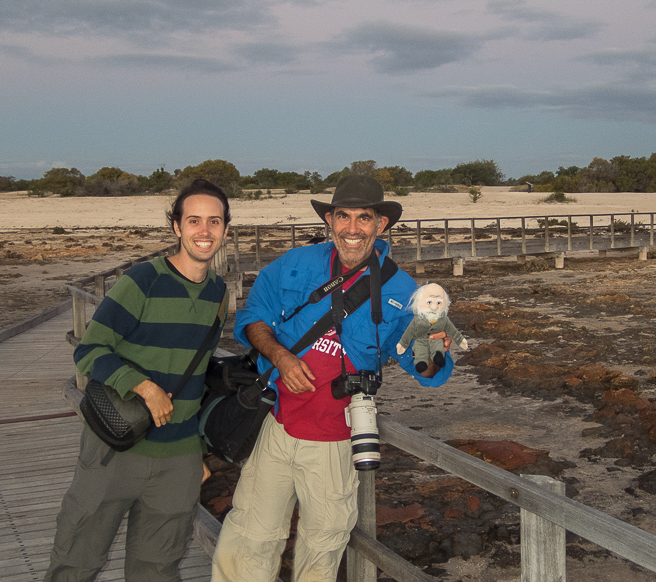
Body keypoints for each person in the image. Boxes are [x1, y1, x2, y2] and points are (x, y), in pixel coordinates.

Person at [212, 175, 454, 582]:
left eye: (364, 218)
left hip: (337, 439)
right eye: (343, 216)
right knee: (249, 537)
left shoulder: (402, 290)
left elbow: (423, 368)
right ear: (330, 220)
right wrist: (281, 356)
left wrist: (433, 351)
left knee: (322, 551)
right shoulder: (294, 264)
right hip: (274, 424)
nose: (352, 228)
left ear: (381, 224)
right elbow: (253, 317)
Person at [45, 178, 231, 582]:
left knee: (158, 570)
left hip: (179, 458)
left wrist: (197, 454)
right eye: (194, 220)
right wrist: (143, 387)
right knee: (76, 562)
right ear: (177, 226)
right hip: (116, 446)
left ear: (225, 229)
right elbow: (89, 350)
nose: (204, 231)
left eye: (214, 222)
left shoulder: (219, 293)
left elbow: (199, 374)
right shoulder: (142, 280)